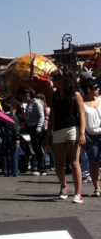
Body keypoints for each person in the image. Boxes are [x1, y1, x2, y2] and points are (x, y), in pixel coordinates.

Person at [49, 70, 86, 203]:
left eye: (55, 79)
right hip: (58, 129)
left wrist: (82, 133)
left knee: (74, 161)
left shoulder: (75, 95)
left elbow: (82, 115)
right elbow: (52, 115)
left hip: (72, 128)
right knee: (58, 164)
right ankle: (64, 185)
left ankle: (78, 193)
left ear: (62, 80)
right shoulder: (55, 95)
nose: (53, 81)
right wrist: (48, 133)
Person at [80, 78, 101, 196]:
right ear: (88, 90)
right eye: (95, 88)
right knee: (94, 163)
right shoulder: (82, 103)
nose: (98, 89)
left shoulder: (100, 100)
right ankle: (97, 188)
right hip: (91, 137)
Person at [22, 87, 47, 175]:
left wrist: (39, 127)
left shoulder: (36, 103)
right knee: (35, 148)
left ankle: (42, 169)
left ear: (29, 95)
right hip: (31, 128)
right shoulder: (29, 104)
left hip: (37, 128)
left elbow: (41, 116)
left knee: (39, 148)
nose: (24, 98)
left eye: (25, 96)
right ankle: (40, 167)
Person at [0, 100, 21, 177]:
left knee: (4, 154)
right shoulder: (14, 117)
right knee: (14, 154)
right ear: (11, 109)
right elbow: (16, 129)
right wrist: (17, 138)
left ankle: (5, 171)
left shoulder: (0, 118)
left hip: (4, 138)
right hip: (12, 138)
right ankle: (14, 171)